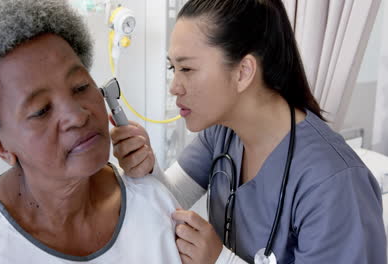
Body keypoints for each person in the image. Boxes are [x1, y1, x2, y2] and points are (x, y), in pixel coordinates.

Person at [110, 0, 387, 263]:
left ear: (243, 72)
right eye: (173, 67)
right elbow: (171, 205)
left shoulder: (334, 183)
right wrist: (146, 169)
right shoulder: (221, 134)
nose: (174, 86)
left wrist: (220, 260)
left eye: (187, 68)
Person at [0, 0, 182, 263]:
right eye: (41, 110)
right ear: (1, 147)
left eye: (80, 86)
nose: (77, 116)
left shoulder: (152, 204)